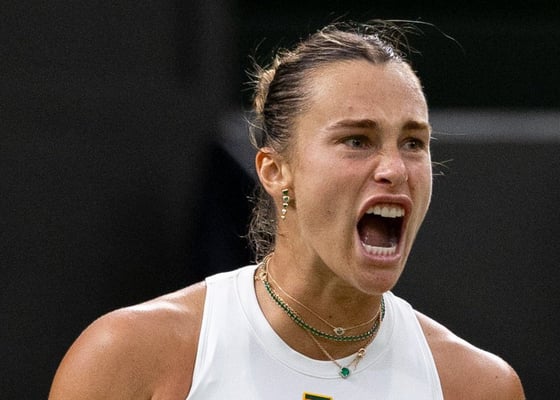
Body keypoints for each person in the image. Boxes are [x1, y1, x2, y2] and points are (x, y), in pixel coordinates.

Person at [49, 21, 525, 399]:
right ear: (275, 170)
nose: (395, 169)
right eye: (356, 140)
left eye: (413, 142)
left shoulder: (478, 386)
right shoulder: (127, 356)